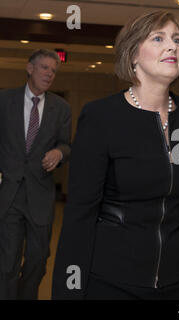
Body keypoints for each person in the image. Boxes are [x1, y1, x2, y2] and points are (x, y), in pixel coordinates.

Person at [51, 11, 179, 300]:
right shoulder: (101, 116)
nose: (172, 46)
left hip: (173, 283)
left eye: (177, 40)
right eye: (158, 38)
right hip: (110, 282)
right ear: (133, 55)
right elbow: (80, 216)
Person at [0, 49, 72, 299]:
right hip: (8, 195)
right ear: (30, 68)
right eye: (44, 68)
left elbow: (67, 144)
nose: (49, 74)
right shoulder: (4, 100)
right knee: (6, 262)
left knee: (38, 260)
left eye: (53, 71)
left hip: (40, 197)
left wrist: (59, 154)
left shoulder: (61, 108)